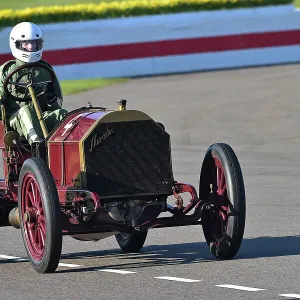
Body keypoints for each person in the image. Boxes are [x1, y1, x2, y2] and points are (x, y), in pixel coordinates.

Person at [0, 22, 68, 145]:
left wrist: (52, 100)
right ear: (16, 44)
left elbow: (58, 104)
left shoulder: (45, 69)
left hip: (42, 115)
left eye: (34, 43)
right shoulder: (6, 71)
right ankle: (39, 147)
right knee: (26, 111)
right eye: (26, 43)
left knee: (62, 114)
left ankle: (68, 149)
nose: (31, 47)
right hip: (16, 121)